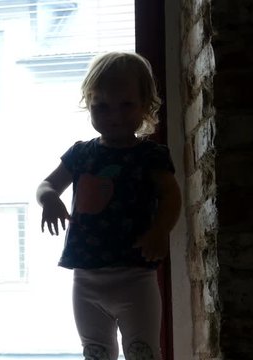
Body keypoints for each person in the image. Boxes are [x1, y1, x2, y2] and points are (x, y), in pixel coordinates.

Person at [36, 52, 182, 360]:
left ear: (146, 106)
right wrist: (49, 198)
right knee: (96, 352)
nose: (113, 115)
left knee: (143, 352)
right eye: (100, 106)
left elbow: (171, 197)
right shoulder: (80, 154)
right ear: (87, 104)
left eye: (126, 105)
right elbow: (47, 184)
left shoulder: (151, 156)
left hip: (136, 277)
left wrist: (159, 232)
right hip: (86, 280)